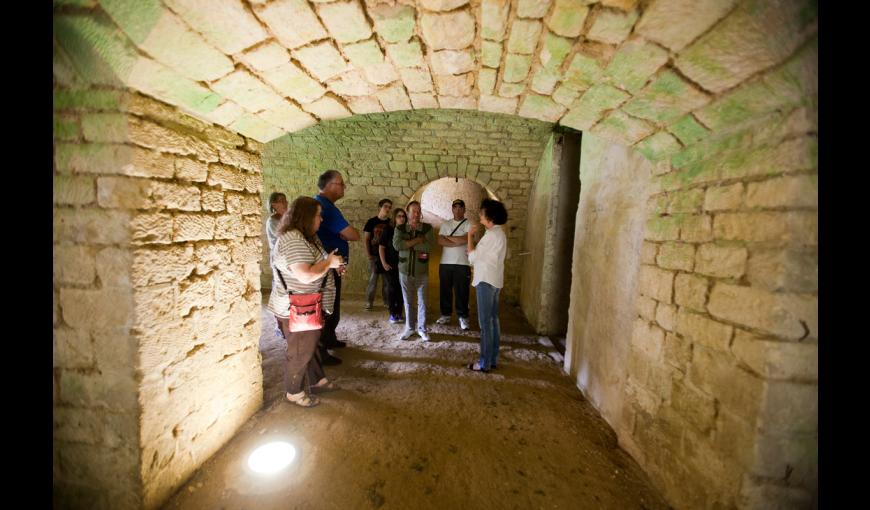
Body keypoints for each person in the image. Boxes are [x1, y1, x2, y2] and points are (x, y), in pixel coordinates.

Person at [268, 196, 345, 407]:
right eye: (318, 215)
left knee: (312, 345)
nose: (321, 219)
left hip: (307, 305)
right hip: (297, 308)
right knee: (300, 351)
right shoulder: (293, 239)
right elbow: (305, 275)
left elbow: (317, 262)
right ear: (306, 217)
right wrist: (328, 263)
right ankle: (294, 392)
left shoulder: (306, 236)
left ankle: (317, 380)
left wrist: (332, 265)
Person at [314, 170, 361, 365]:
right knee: (326, 306)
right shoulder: (326, 207)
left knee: (331, 304)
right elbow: (353, 235)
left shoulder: (325, 205)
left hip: (331, 265)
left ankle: (329, 338)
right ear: (330, 185)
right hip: (328, 267)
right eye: (341, 183)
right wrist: (343, 235)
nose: (344, 187)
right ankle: (321, 349)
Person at [466, 199, 508, 372]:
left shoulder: (490, 236)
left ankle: (484, 363)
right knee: (493, 320)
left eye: (482, 213)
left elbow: (472, 257)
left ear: (490, 217)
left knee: (485, 324)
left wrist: (469, 236)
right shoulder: (500, 233)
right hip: (495, 280)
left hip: (485, 281)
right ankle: (493, 359)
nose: (480, 215)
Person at [392, 201, 435, 341]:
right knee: (408, 301)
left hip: (421, 272)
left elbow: (430, 246)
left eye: (418, 211)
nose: (416, 214)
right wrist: (418, 240)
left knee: (422, 302)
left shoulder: (427, 228)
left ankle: (422, 329)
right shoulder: (400, 228)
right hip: (404, 272)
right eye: (413, 211)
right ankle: (410, 328)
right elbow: (397, 245)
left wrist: (409, 244)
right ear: (408, 212)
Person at [436, 198, 472, 331]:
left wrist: (448, 237)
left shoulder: (469, 224)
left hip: (462, 263)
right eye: (455, 207)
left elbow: (466, 239)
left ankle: (463, 317)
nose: (457, 210)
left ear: (464, 209)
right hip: (445, 262)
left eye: (460, 207)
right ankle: (445, 315)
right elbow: (440, 241)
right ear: (452, 209)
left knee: (462, 291)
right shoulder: (445, 224)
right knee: (445, 290)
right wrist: (457, 241)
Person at [266, 192, 288, 338]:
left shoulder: (286, 218)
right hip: (279, 260)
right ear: (273, 205)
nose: (285, 203)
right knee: (279, 292)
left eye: (285, 200)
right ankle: (279, 326)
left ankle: (287, 322)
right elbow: (284, 237)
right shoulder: (272, 221)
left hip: (287, 259)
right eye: (281, 201)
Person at [363, 199, 393, 310]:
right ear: (379, 207)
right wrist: (369, 254)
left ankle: (387, 302)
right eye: (385, 206)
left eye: (389, 207)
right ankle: (369, 302)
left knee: (387, 281)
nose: (388, 209)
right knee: (373, 280)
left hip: (387, 256)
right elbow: (367, 239)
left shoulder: (391, 223)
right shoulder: (371, 222)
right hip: (374, 255)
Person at [379, 207, 407, 324]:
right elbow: (381, 247)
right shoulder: (388, 230)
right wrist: (384, 263)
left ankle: (399, 313)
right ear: (394, 218)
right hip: (390, 265)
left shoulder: (406, 231)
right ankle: (392, 313)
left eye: (403, 216)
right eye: (399, 216)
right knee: (392, 289)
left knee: (401, 289)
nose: (401, 218)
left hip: (403, 265)